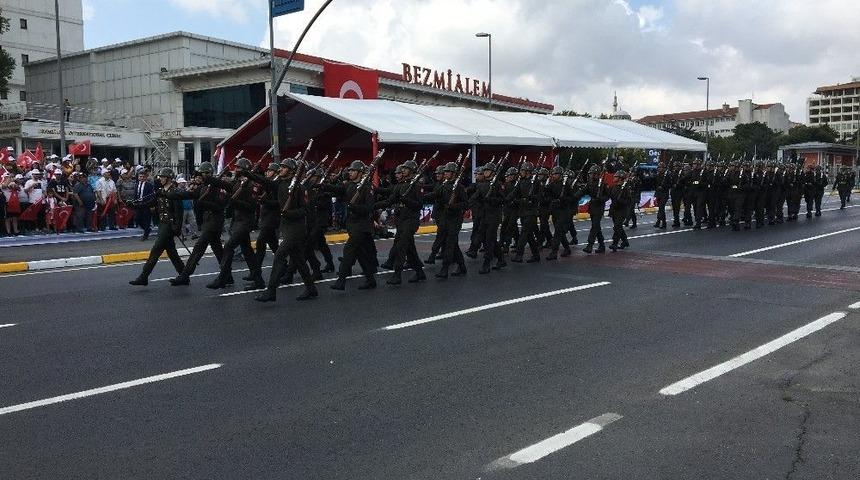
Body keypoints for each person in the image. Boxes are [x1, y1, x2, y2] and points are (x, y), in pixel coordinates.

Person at [252, 158, 318, 302]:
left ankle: (271, 292)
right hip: (286, 227)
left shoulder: (299, 188)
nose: (280, 169)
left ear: (291, 170)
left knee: (279, 255)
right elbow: (265, 181)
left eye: (283, 167)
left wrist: (290, 213)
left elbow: (305, 210)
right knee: (299, 260)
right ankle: (311, 289)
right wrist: (248, 173)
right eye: (280, 167)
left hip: (297, 228)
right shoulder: (280, 184)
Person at [205, 157, 266, 290]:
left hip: (246, 221)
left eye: (238, 168)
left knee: (228, 246)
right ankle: (259, 280)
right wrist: (207, 178)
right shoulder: (238, 182)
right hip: (238, 221)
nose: (235, 169)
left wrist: (235, 202)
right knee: (247, 251)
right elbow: (226, 185)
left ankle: (223, 278)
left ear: (245, 170)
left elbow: (251, 206)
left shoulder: (253, 185)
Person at [168, 162, 229, 287]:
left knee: (198, 247)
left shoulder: (218, 186)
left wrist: (205, 203)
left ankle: (185, 275)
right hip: (208, 221)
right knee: (217, 249)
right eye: (201, 174)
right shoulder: (204, 187)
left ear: (209, 174)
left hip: (215, 220)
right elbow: (188, 194)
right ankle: (228, 276)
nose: (201, 176)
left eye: (204, 173)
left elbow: (221, 206)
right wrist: (169, 194)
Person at [322, 160, 379, 290]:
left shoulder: (366, 186)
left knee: (348, 250)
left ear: (359, 173)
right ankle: (371, 280)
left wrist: (355, 208)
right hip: (352, 225)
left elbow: (369, 208)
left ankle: (341, 281)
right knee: (361, 254)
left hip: (362, 225)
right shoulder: (349, 185)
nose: (350, 172)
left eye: (352, 171)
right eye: (350, 170)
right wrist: (324, 186)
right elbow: (339, 189)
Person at [129, 168, 186, 286]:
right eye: (160, 177)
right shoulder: (160, 191)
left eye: (163, 177)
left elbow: (179, 212)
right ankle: (184, 275)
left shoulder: (175, 192)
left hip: (169, 226)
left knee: (155, 251)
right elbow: (149, 203)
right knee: (172, 252)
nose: (160, 179)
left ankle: (143, 277)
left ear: (169, 178)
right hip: (162, 224)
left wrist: (178, 228)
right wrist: (134, 204)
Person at [375, 160, 427, 284]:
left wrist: (405, 199)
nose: (403, 170)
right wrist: (373, 205)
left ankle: (397, 275)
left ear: (412, 171)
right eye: (402, 168)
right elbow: (390, 201)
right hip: (401, 220)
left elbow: (419, 205)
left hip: (411, 221)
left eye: (406, 168)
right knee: (409, 248)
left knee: (401, 247)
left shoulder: (416, 186)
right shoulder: (400, 185)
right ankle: (420, 273)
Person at [508, 162, 541, 263]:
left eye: (522, 170)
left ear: (527, 171)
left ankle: (519, 254)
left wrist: (531, 198)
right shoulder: (521, 182)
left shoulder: (535, 182)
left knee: (524, 233)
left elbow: (540, 196)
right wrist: (506, 199)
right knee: (529, 235)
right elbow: (514, 193)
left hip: (531, 212)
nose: (520, 172)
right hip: (523, 211)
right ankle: (536, 255)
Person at [545, 166, 574, 260]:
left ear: (560, 175)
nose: (554, 176)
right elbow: (546, 194)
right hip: (555, 210)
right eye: (553, 174)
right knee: (560, 232)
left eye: (555, 174)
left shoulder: (566, 185)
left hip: (564, 211)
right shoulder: (551, 184)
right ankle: (567, 248)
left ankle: (554, 252)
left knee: (557, 232)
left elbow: (572, 198)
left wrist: (563, 199)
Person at [578, 165, 608, 253]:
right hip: (592, 207)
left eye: (592, 174)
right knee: (597, 227)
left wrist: (600, 199)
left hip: (599, 207)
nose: (590, 176)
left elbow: (607, 196)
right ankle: (602, 245)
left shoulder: (603, 184)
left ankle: (590, 245)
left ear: (597, 174)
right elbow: (582, 192)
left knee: (594, 226)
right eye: (590, 174)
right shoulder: (590, 184)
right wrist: (573, 197)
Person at [608, 170, 632, 251]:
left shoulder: (626, 188)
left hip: (622, 210)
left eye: (616, 176)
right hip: (614, 209)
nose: (614, 178)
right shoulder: (613, 187)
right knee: (618, 227)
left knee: (617, 227)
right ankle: (625, 241)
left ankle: (615, 243)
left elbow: (628, 201)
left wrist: (620, 200)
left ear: (620, 178)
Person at [133, 170, 154, 239]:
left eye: (143, 177)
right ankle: (147, 229)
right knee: (137, 219)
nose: (142, 178)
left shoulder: (149, 185)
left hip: (146, 204)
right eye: (140, 176)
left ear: (146, 177)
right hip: (138, 204)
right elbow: (135, 195)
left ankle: (145, 235)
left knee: (146, 219)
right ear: (138, 177)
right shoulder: (136, 185)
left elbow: (151, 196)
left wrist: (150, 205)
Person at [653, 162, 671, 229]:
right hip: (658, 193)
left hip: (664, 194)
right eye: (659, 167)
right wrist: (657, 187)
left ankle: (662, 223)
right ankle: (661, 222)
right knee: (661, 209)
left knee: (661, 207)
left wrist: (663, 187)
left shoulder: (667, 176)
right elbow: (654, 184)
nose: (660, 169)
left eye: (662, 168)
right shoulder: (657, 175)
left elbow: (670, 185)